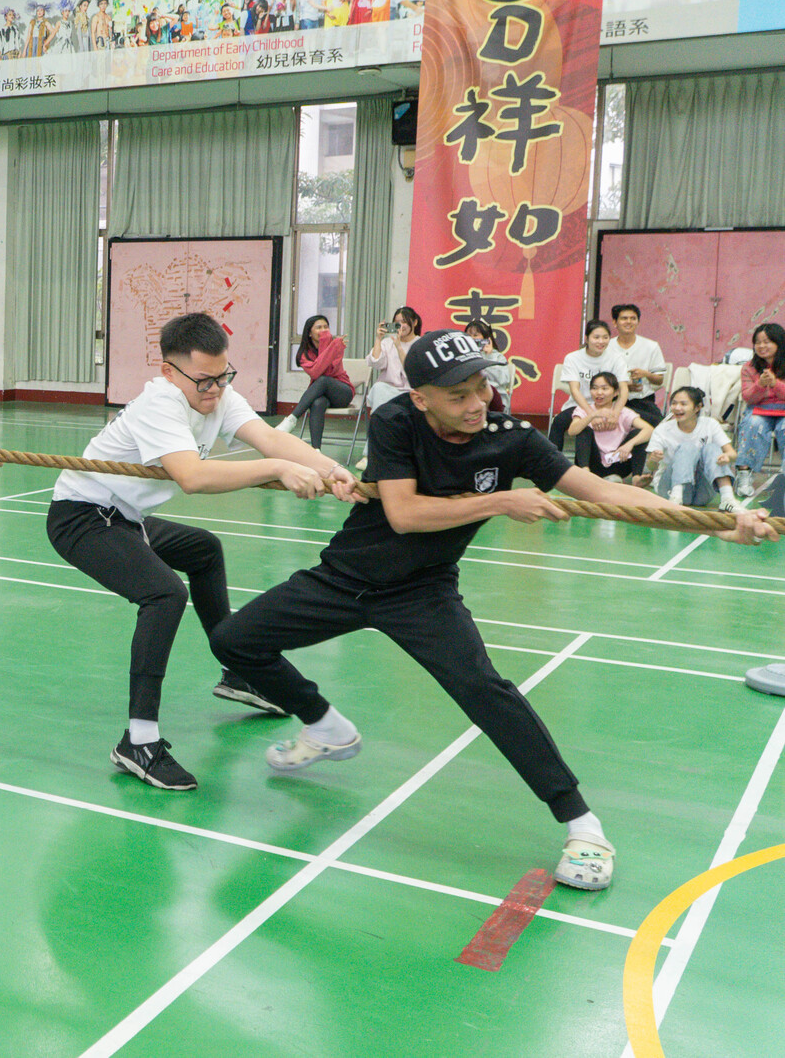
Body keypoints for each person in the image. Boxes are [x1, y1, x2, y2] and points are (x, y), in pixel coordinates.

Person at [209, 329, 776, 891]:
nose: (477, 403)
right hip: (343, 576)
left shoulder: (511, 439)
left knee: (486, 693)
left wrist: (718, 524)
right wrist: (502, 501)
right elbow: (404, 514)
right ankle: (324, 724)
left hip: (421, 592)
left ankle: (583, 825)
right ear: (420, 398)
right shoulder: (396, 421)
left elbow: (603, 492)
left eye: (481, 387)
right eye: (458, 396)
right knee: (234, 641)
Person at [47, 313, 362, 790]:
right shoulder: (160, 404)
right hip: (82, 517)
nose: (215, 390)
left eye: (223, 376)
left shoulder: (217, 393)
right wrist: (275, 469)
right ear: (169, 371)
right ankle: (139, 741)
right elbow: (192, 477)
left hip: (126, 516)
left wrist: (329, 467)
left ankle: (237, 671)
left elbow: (270, 438)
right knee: (164, 594)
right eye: (204, 381)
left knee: (204, 550)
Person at [646, 386, 738, 511]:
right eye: (674, 403)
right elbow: (651, 467)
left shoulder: (710, 424)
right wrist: (653, 459)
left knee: (712, 448)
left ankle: (728, 499)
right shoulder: (662, 429)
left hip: (701, 493)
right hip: (669, 488)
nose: (677, 408)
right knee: (687, 446)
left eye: (683, 404)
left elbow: (732, 454)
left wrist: (727, 457)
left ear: (697, 407)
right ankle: (676, 497)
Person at [548, 318, 624, 460]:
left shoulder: (616, 358)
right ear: (587, 338)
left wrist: (615, 413)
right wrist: (592, 414)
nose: (601, 341)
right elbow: (575, 390)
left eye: (605, 337)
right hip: (579, 405)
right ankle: (552, 463)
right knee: (558, 422)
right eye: (596, 337)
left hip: (608, 406)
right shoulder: (573, 358)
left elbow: (623, 389)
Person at [604, 302, 667, 474]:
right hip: (615, 402)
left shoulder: (651, 346)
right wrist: (623, 386)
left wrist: (646, 374)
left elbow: (659, 380)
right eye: (624, 318)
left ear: (638, 322)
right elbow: (600, 380)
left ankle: (645, 467)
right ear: (615, 322)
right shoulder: (607, 346)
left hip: (643, 401)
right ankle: (620, 467)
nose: (629, 322)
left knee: (658, 424)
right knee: (635, 426)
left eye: (633, 318)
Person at [278, 314, 353, 451]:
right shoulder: (304, 354)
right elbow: (315, 372)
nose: (324, 331)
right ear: (310, 333)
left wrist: (327, 344)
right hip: (322, 394)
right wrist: (328, 346)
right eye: (319, 328)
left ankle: (292, 419)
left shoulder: (336, 346)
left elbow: (328, 372)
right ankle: (316, 450)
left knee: (324, 380)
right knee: (317, 403)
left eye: (326, 327)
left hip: (342, 392)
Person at [734, 322, 785, 500]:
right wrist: (760, 385)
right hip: (759, 410)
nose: (761, 346)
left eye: (767, 341)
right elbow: (748, 397)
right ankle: (744, 475)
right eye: (757, 342)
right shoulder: (749, 367)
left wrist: (775, 384)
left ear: (779, 342)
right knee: (752, 424)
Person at [577, 372, 653, 481]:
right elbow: (572, 431)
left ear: (616, 392)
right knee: (582, 428)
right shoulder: (584, 410)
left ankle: (636, 478)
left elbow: (649, 430)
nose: (599, 392)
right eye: (594, 388)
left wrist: (629, 444)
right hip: (593, 464)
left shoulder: (624, 412)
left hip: (619, 462)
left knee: (639, 434)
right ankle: (585, 474)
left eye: (604, 389)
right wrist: (592, 415)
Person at [366, 305, 420, 409]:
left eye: (404, 322)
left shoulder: (421, 343)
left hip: (411, 392)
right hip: (388, 390)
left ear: (415, 322)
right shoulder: (388, 342)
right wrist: (378, 338)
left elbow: (412, 372)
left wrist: (399, 347)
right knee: (378, 388)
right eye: (397, 322)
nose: (400, 326)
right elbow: (376, 363)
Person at [464, 321, 516, 413]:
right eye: (468, 336)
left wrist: (488, 357)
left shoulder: (497, 357)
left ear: (486, 339)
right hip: (470, 400)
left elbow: (503, 380)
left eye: (475, 335)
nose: (472, 339)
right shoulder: (463, 357)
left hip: (495, 402)